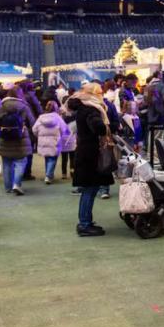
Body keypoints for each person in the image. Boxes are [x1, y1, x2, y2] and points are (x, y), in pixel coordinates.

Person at [62, 83, 114, 237]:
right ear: (92, 94)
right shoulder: (91, 109)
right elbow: (97, 127)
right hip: (90, 154)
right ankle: (85, 224)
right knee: (90, 190)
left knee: (88, 190)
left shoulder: (83, 108)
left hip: (85, 152)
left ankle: (85, 222)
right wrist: (106, 128)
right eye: (99, 92)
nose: (102, 95)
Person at [0, 87, 36, 196]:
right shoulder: (24, 106)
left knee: (7, 163)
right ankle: (16, 184)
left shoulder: (3, 106)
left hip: (5, 138)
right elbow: (32, 121)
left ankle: (8, 187)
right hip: (20, 138)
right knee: (21, 162)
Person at [33, 101, 71, 185]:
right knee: (53, 159)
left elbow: (34, 129)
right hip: (54, 141)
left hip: (43, 142)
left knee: (47, 158)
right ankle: (48, 175)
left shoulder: (41, 117)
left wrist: (39, 135)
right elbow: (64, 129)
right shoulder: (58, 118)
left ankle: (49, 175)